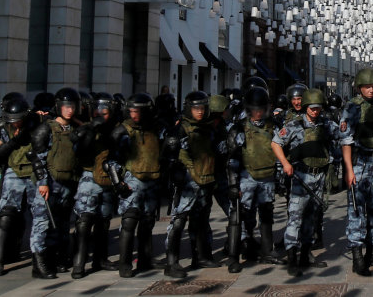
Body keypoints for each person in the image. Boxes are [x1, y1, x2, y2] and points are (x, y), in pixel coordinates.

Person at [271, 89, 336, 277]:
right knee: (295, 217)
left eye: (318, 109)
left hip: (319, 176)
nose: (315, 112)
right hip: (301, 176)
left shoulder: (326, 125)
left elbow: (343, 136)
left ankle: (305, 256)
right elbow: (276, 143)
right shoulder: (294, 125)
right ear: (307, 108)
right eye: (312, 108)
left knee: (312, 217)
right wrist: (285, 163)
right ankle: (292, 259)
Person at [0, 94, 55, 278]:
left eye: (18, 120)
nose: (15, 124)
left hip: (36, 172)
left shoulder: (40, 123)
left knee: (40, 217)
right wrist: (12, 141)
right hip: (14, 171)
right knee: (5, 215)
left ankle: (38, 262)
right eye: (12, 121)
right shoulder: (3, 126)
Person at [162, 91, 224, 278]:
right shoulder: (181, 128)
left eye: (203, 108)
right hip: (187, 182)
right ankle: (172, 262)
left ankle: (201, 256)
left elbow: (216, 150)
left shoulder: (208, 127)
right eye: (196, 108)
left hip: (206, 179)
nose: (200, 111)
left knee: (201, 221)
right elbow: (172, 153)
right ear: (189, 108)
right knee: (179, 221)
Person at [106, 93, 167, 278]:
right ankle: (124, 263)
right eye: (131, 111)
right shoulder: (122, 131)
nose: (134, 115)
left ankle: (145, 259)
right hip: (132, 180)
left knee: (147, 222)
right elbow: (110, 160)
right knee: (129, 222)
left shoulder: (156, 128)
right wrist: (118, 183)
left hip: (152, 180)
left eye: (138, 111)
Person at [340, 68, 373, 276]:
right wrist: (349, 170)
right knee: (356, 210)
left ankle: (372, 250)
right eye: (367, 87)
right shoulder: (352, 108)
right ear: (359, 88)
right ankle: (357, 256)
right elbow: (346, 140)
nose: (371, 90)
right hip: (360, 162)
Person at [226, 86, 280, 272]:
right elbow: (232, 157)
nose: (258, 114)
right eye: (254, 110)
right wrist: (233, 183)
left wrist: (280, 176)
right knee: (239, 215)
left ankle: (266, 251)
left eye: (260, 109)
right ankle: (234, 255)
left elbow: (281, 151)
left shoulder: (273, 126)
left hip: (267, 177)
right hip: (246, 177)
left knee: (266, 214)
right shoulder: (239, 128)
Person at [31, 88, 83, 274]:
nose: (70, 110)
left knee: (61, 224)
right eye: (66, 106)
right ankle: (39, 264)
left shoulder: (75, 129)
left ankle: (59, 258)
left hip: (68, 184)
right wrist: (43, 182)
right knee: (42, 223)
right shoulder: (47, 128)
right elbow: (37, 158)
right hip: (50, 183)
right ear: (59, 106)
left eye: (73, 107)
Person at [70, 92, 121, 278]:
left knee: (103, 221)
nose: (101, 115)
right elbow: (78, 150)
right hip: (89, 178)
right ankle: (79, 262)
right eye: (97, 111)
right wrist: (91, 130)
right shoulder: (85, 128)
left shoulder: (117, 128)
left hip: (108, 179)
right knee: (84, 221)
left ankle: (101, 258)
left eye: (105, 112)